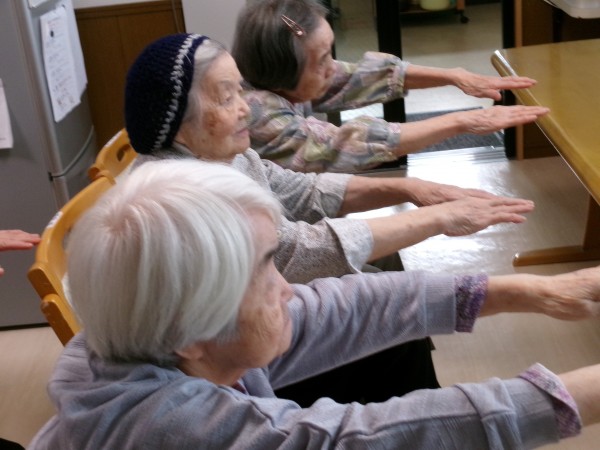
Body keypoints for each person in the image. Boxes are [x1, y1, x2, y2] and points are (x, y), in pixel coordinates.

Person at [29, 159, 600, 449]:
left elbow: (336, 307)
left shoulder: (136, 337)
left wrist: (533, 291)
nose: (288, 289)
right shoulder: (172, 429)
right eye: (265, 272)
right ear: (189, 331)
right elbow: (362, 439)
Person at [123, 32, 536, 405]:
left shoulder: (222, 155)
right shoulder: (183, 197)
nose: (246, 108)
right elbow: (296, 253)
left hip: (249, 330)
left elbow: (302, 191)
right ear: (179, 127)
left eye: (240, 91)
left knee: (387, 289)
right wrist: (439, 218)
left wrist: (410, 189)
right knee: (390, 330)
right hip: (226, 369)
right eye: (227, 97)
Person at [231, 0, 549, 173]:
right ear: (284, 69)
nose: (332, 66)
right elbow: (340, 144)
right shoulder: (256, 111)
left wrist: (455, 76)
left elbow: (358, 75)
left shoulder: (281, 78)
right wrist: (462, 121)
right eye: (322, 59)